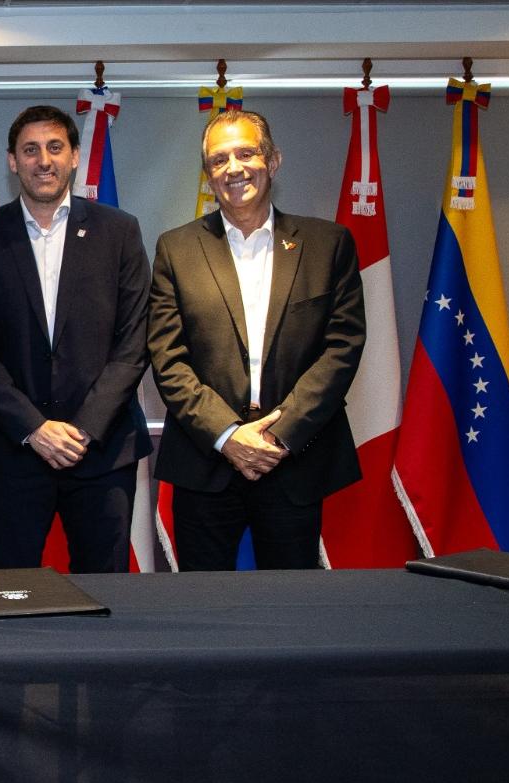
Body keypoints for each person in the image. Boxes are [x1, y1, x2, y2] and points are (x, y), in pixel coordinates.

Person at [147, 108, 366, 570]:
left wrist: (277, 436)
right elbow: (168, 358)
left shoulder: (327, 244)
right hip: (205, 463)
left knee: (289, 604)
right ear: (208, 175)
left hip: (293, 461)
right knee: (204, 604)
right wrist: (228, 436)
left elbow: (342, 348)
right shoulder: (176, 248)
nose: (234, 168)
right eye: (219, 160)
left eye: (246, 154)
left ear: (273, 160)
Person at [0, 105, 152, 573]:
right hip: (11, 449)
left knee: (105, 591)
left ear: (75, 156)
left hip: (102, 449)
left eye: (55, 147)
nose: (44, 160)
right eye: (30, 150)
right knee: (9, 592)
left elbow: (133, 342)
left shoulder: (119, 231)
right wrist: (34, 428)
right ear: (12, 161)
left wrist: (83, 429)